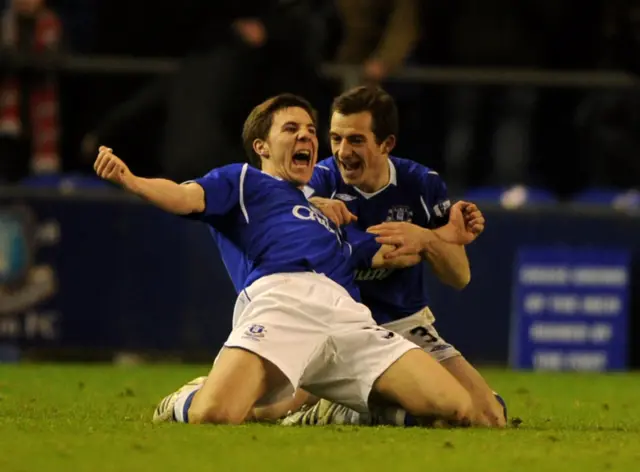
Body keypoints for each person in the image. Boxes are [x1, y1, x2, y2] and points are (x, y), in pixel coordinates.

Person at [93, 93, 481, 426]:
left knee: (457, 408)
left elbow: (392, 249)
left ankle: (339, 410)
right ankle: (186, 398)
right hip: (283, 304)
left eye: (311, 130)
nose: (306, 136)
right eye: (292, 128)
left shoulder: (331, 218)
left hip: (349, 317)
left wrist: (443, 235)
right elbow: (183, 196)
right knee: (217, 414)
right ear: (261, 146)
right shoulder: (245, 181)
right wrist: (132, 180)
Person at [284, 85, 506, 427]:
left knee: (489, 416)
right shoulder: (318, 183)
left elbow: (459, 277)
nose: (343, 152)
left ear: (386, 144)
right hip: (335, 326)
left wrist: (428, 240)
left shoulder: (421, 184)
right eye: (336, 138)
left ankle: (345, 411)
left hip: (403, 323)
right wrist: (435, 236)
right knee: (267, 408)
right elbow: (387, 253)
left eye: (356, 140)